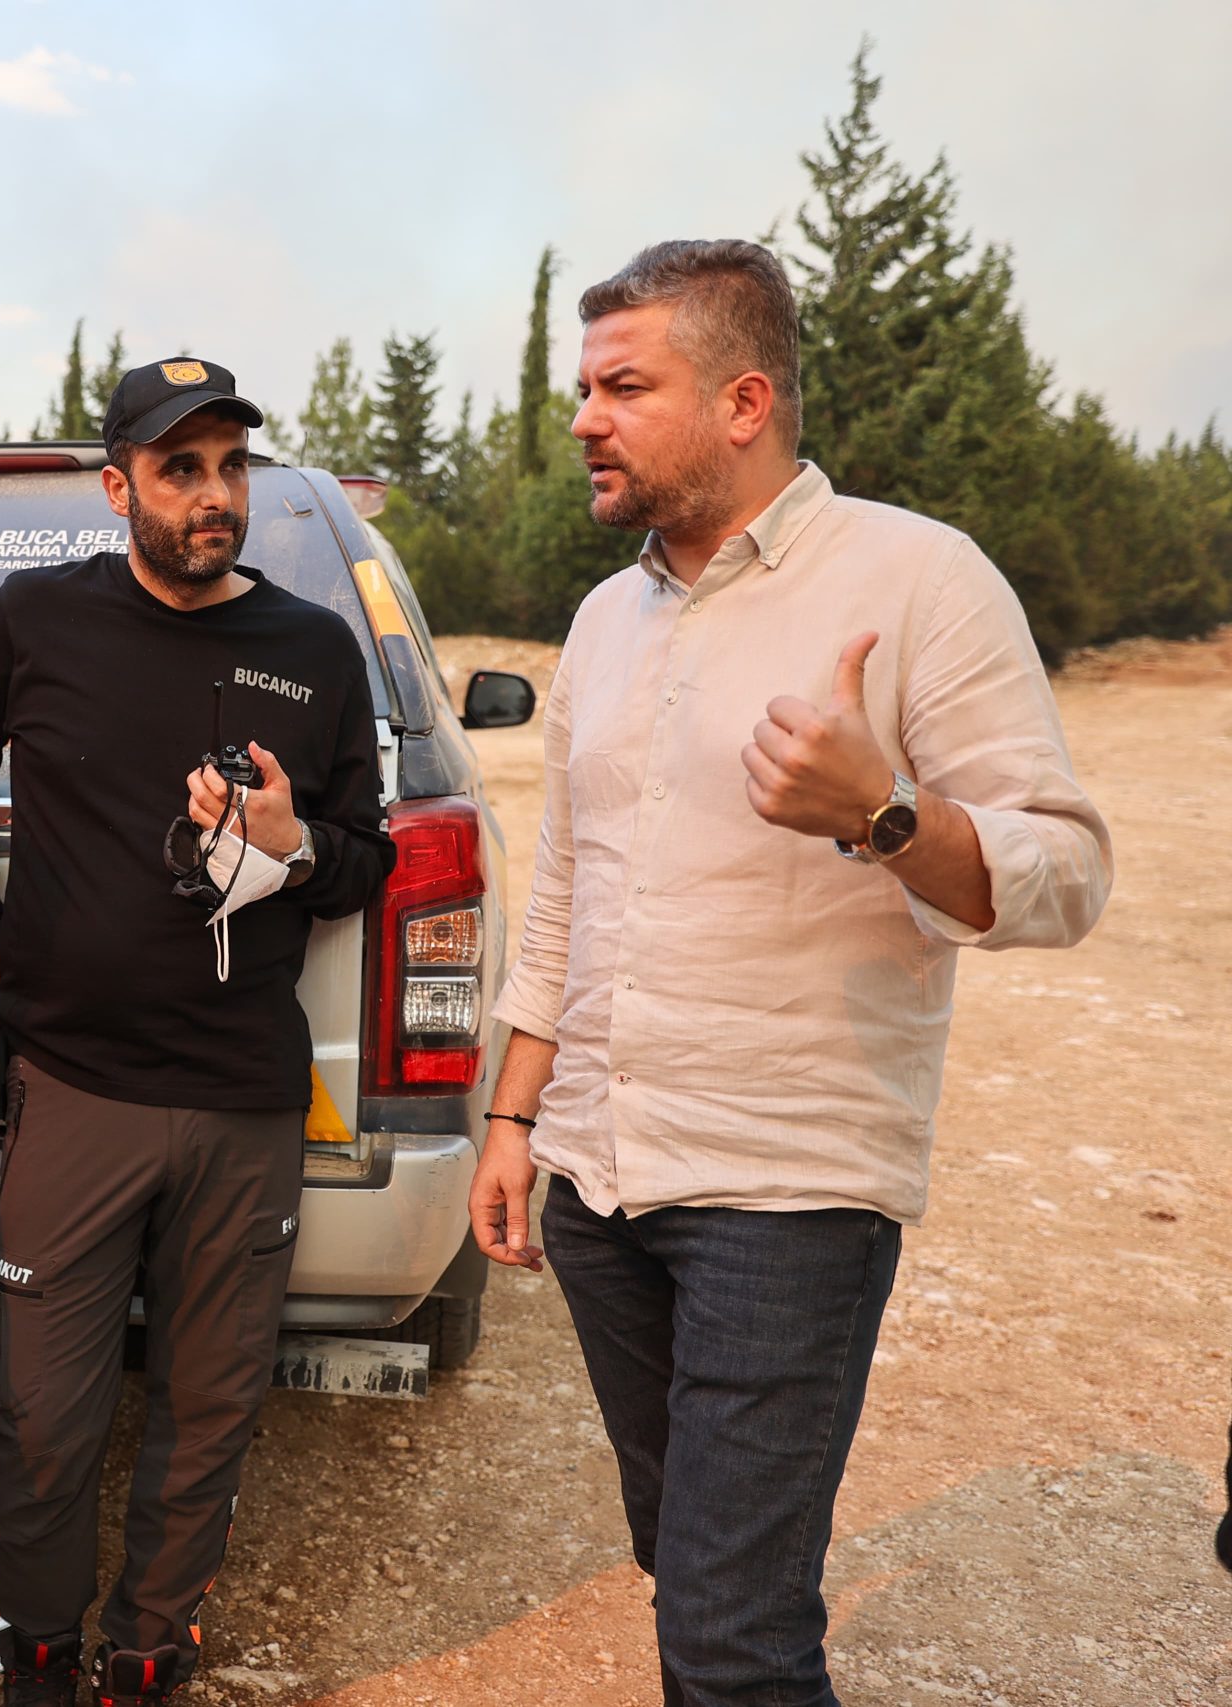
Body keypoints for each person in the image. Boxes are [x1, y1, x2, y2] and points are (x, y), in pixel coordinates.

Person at [468, 240, 1113, 1707]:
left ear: (744, 399)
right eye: (585, 386)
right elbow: (568, 883)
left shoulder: (919, 576)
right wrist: (515, 1121)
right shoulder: (602, 617)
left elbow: (1066, 870)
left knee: (731, 1633)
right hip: (602, 1185)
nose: (584, 418)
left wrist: (884, 814)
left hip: (788, 1191)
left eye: (625, 386)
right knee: (683, 1552)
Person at [0, 361, 394, 1705]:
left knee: (209, 1406)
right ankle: (40, 1647)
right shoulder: (36, 620)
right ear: (119, 483)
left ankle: (148, 1646)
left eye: (232, 466)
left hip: (245, 1097)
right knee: (40, 1409)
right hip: (75, 1087)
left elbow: (363, 853)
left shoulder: (312, 649)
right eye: (181, 470)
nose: (214, 495)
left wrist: (301, 849)